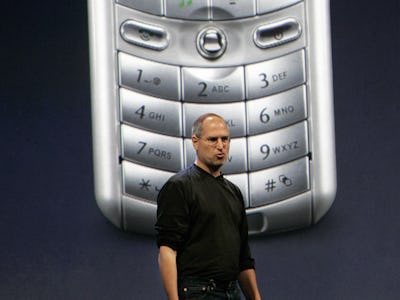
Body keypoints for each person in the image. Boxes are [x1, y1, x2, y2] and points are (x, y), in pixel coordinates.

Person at [155, 113, 261, 300]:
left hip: (231, 291)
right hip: (199, 292)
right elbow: (168, 249)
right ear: (195, 142)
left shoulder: (234, 192)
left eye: (225, 139)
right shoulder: (179, 186)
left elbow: (244, 259)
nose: (220, 146)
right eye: (213, 139)